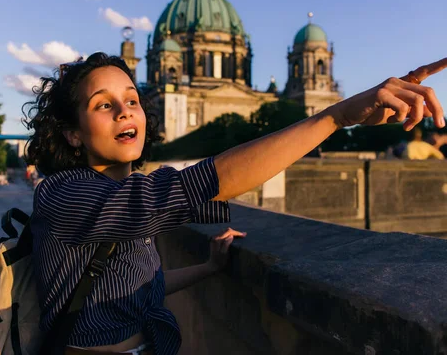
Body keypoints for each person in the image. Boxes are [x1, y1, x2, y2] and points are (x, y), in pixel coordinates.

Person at [23, 53, 446, 355]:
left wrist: (208, 268)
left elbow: (132, 289)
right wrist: (336, 116)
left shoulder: (125, 196)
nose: (124, 111)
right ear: (72, 133)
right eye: (103, 104)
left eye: (132, 99)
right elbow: (205, 184)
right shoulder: (66, 195)